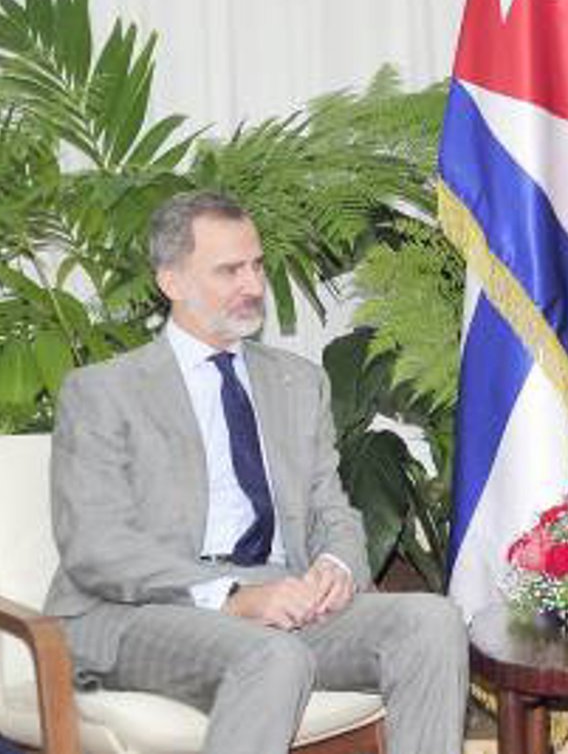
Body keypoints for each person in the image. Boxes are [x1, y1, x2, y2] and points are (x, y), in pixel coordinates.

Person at [44, 190, 468, 754]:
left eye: (257, 265)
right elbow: (97, 546)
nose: (253, 284)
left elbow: (332, 508)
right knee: (272, 655)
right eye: (229, 270)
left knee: (431, 623)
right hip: (140, 612)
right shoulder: (104, 391)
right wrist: (231, 595)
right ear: (172, 282)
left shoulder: (298, 382)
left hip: (279, 596)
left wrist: (337, 565)